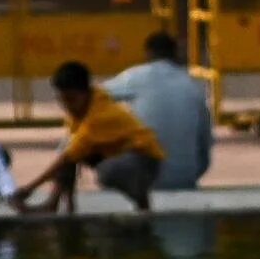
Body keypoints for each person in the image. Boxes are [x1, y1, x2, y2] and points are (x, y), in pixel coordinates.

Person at [19, 61, 165, 213]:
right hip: (117, 154)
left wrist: (29, 188)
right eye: (62, 100)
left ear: (85, 92)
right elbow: (70, 153)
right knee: (69, 149)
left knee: (107, 171)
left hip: (144, 161)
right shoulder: (81, 109)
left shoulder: (99, 116)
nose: (67, 106)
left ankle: (142, 204)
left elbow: (67, 158)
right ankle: (58, 205)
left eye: (71, 99)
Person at [102, 32, 213, 189]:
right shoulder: (193, 85)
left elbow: (93, 97)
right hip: (185, 178)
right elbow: (205, 144)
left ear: (147, 53)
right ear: (175, 54)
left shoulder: (135, 76)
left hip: (144, 178)